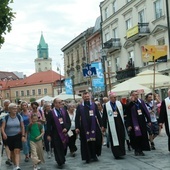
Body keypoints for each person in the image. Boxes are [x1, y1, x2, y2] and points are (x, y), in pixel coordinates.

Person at [75, 92, 102, 163]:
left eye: (88, 96)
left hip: (94, 126)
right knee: (86, 143)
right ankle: (88, 157)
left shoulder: (93, 105)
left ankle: (94, 155)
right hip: (84, 127)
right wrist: (77, 127)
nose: (87, 98)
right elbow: (77, 118)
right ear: (83, 98)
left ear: (89, 97)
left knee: (96, 141)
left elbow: (98, 115)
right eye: (85, 97)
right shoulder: (80, 106)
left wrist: (102, 125)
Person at [46, 98, 71, 168]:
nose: (60, 104)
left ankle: (62, 157)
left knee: (64, 148)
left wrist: (66, 128)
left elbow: (68, 121)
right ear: (55, 104)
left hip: (64, 132)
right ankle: (59, 161)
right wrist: (48, 135)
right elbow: (48, 125)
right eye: (59, 102)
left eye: (61, 102)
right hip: (55, 133)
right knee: (57, 148)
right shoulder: (51, 113)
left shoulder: (64, 111)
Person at [126, 90, 151, 156]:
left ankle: (141, 150)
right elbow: (127, 113)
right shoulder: (130, 103)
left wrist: (148, 120)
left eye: (137, 94)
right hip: (133, 123)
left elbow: (145, 111)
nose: (136, 96)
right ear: (132, 95)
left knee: (142, 136)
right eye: (135, 95)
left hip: (141, 122)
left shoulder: (140, 102)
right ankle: (136, 149)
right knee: (136, 137)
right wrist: (128, 125)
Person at [102, 92, 127, 159]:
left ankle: (122, 152)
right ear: (110, 98)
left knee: (121, 138)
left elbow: (126, 107)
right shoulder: (106, 105)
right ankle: (116, 154)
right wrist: (103, 126)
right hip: (112, 124)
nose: (115, 98)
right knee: (114, 139)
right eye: (114, 97)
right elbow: (104, 116)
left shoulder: (119, 103)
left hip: (120, 124)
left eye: (116, 97)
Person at [1, 103, 25, 170]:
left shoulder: (19, 116)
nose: (15, 110)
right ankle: (14, 165)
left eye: (16, 108)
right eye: (13, 108)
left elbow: (22, 126)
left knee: (17, 150)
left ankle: (17, 166)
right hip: (9, 137)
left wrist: (23, 135)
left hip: (17, 135)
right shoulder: (6, 117)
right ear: (9, 109)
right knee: (12, 152)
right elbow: (2, 127)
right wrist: (4, 134)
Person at [0, 99, 12, 166]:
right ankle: (9, 158)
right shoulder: (1, 112)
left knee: (12, 145)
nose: (8, 106)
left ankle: (12, 157)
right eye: (6, 105)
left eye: (9, 105)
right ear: (4, 105)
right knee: (6, 145)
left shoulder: (14, 111)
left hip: (13, 131)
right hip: (4, 130)